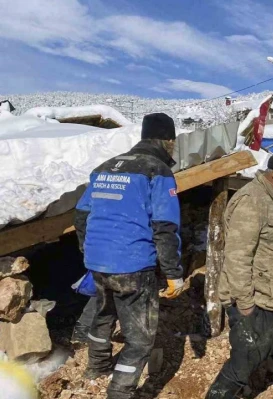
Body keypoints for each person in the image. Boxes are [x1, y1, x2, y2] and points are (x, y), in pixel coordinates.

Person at [74, 113, 184, 399]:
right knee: (141, 339)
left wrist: (90, 249)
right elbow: (165, 226)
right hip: (133, 264)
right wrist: (173, 273)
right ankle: (120, 392)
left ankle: (97, 367)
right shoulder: (157, 170)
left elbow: (82, 214)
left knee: (103, 315)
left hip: (97, 263)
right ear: (168, 141)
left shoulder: (106, 167)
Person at [206, 149, 273, 399]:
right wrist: (244, 304)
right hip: (255, 304)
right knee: (241, 366)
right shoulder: (251, 202)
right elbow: (237, 257)